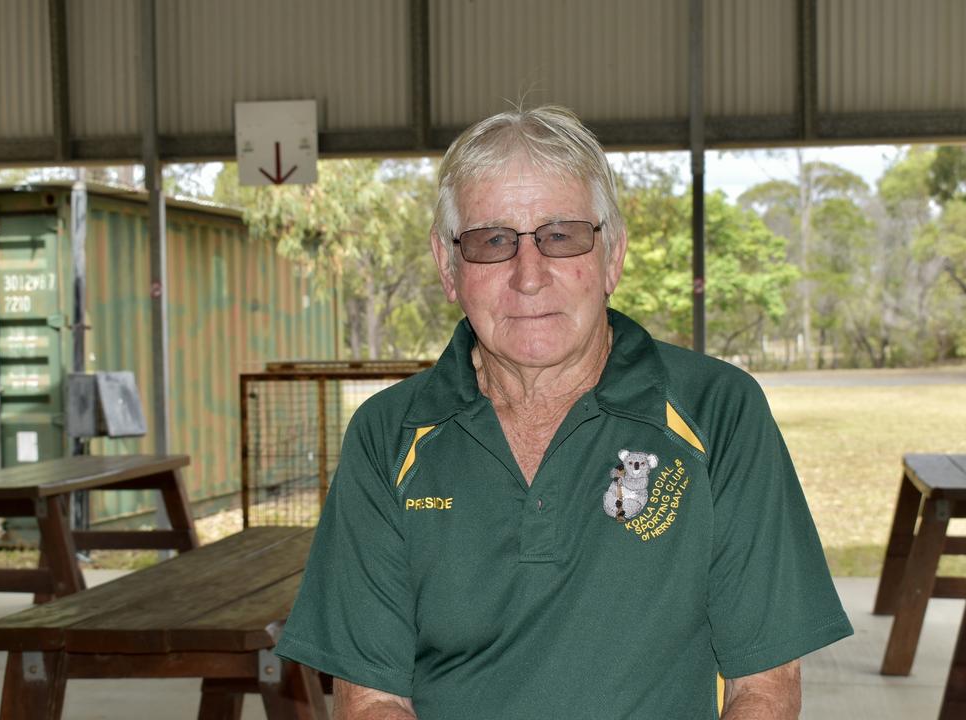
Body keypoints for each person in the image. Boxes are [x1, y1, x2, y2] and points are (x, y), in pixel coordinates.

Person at [275, 105, 852, 719]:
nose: (529, 276)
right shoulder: (387, 435)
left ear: (613, 258)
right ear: (449, 268)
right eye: (492, 241)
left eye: (561, 236)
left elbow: (762, 689)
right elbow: (371, 701)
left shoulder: (719, 411)